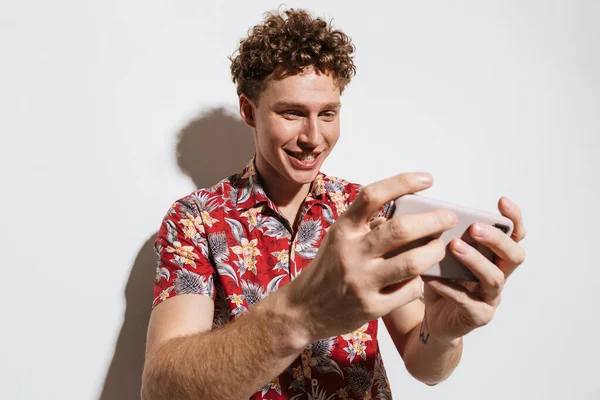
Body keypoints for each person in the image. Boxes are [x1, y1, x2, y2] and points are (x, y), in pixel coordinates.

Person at [141, 8, 527, 400]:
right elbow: (163, 389)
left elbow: (425, 364)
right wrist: (300, 315)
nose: (313, 137)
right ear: (248, 111)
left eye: (327, 114)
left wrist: (442, 333)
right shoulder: (195, 220)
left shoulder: (365, 212)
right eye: (291, 113)